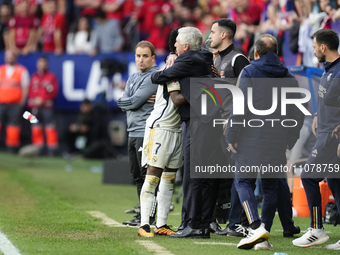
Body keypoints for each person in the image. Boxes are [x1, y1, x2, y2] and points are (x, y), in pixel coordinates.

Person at [225, 34, 304, 250]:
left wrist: (231, 136)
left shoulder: (249, 72)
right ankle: (263, 237)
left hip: (250, 139)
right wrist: (290, 139)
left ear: (256, 53)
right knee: (270, 186)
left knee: (243, 181)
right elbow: (298, 115)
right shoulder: (290, 77)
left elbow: (239, 108)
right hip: (276, 141)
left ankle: (256, 227)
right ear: (276, 53)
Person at [151, 27, 223, 239]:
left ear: (185, 46)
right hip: (207, 120)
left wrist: (167, 65)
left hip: (200, 121)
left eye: (177, 43)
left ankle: (193, 224)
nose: (174, 46)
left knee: (194, 174)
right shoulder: (202, 58)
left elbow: (159, 77)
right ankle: (199, 224)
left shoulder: (190, 58)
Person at [293, 29, 340, 250]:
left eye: (314, 47)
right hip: (326, 130)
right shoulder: (329, 69)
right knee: (335, 181)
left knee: (308, 176)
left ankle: (316, 229)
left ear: (323, 47)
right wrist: (317, 115)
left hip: (332, 136)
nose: (313, 51)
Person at [208, 18, 250, 237]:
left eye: (213, 32)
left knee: (239, 176)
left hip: (234, 127)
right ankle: (225, 220)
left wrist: (234, 121)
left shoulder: (238, 59)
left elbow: (248, 93)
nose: (209, 36)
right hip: (219, 125)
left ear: (223, 35)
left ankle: (238, 222)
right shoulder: (218, 61)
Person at [137, 61, 183, 237]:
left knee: (170, 177)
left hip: (176, 129)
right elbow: (177, 100)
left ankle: (161, 223)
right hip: (160, 128)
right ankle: (144, 224)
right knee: (153, 174)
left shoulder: (185, 68)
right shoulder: (172, 69)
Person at [118, 41, 158, 227]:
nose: (141, 60)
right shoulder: (134, 77)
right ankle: (142, 214)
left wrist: (128, 101)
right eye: (138, 56)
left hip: (146, 132)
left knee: (146, 175)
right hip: (133, 131)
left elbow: (132, 103)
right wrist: (128, 100)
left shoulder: (153, 77)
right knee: (136, 176)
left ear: (153, 58)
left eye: (145, 56)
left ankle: (149, 217)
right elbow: (130, 101)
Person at [27, 56, 58, 155]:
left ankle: (51, 151)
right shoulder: (34, 77)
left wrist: (42, 100)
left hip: (47, 108)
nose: (41, 65)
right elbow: (30, 91)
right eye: (40, 63)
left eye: (44, 63)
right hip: (35, 108)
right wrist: (35, 100)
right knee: (35, 127)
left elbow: (54, 92)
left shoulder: (51, 77)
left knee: (50, 127)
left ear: (47, 64)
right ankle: (37, 149)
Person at [0, 50, 30, 152]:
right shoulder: (1, 69)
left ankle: (11, 148)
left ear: (15, 57)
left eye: (11, 56)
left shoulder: (21, 70)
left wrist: (22, 102)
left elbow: (25, 88)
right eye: (7, 56)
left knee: (13, 125)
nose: (8, 58)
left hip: (15, 103)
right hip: (1, 102)